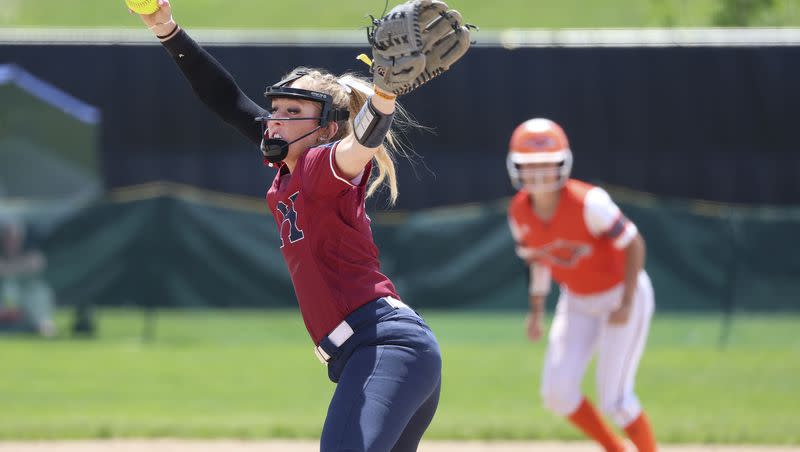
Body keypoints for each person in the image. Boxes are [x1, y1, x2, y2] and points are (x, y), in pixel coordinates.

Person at [131, 1, 472, 450]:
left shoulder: (318, 165)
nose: (275, 120)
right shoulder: (292, 160)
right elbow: (226, 99)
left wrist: (384, 95)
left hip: (384, 347)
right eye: (277, 109)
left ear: (326, 129)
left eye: (294, 112)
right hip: (378, 352)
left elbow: (358, 146)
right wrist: (166, 29)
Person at [506, 118, 657, 452]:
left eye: (547, 163)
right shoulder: (519, 211)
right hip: (576, 300)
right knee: (557, 391)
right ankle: (615, 449)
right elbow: (539, 261)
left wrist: (628, 302)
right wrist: (536, 311)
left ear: (563, 163)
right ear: (516, 167)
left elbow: (634, 243)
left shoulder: (590, 202)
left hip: (620, 294)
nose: (540, 172)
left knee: (615, 399)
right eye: (530, 165)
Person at [0, 219, 56, 337]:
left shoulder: (31, 252)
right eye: (8, 238)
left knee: (39, 292)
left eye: (15, 238)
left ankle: (45, 326)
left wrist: (10, 268)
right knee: (9, 287)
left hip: (27, 300)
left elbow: (37, 263)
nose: (11, 242)